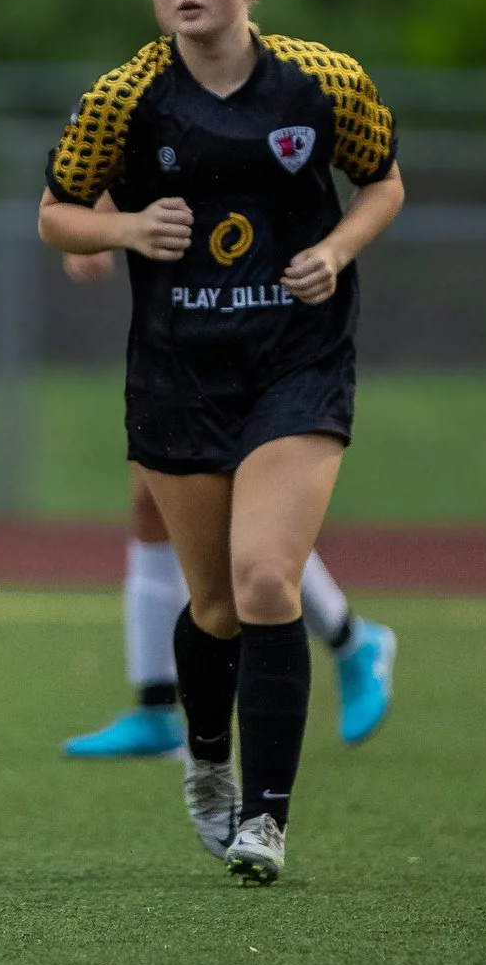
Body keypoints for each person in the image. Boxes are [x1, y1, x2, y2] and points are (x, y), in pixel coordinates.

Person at [39, 0, 404, 885]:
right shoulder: (122, 98)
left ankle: (265, 816)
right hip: (177, 372)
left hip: (296, 359)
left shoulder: (323, 80)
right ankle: (204, 755)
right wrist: (121, 232)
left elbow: (383, 182)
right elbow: (56, 215)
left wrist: (332, 248)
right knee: (212, 604)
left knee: (262, 579)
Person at [59, 208, 398, 759]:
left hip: (260, 313)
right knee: (154, 498)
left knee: (234, 509)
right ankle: (155, 705)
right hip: (181, 316)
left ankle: (351, 641)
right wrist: (94, 226)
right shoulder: (124, 118)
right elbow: (100, 150)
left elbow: (377, 175)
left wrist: (333, 251)